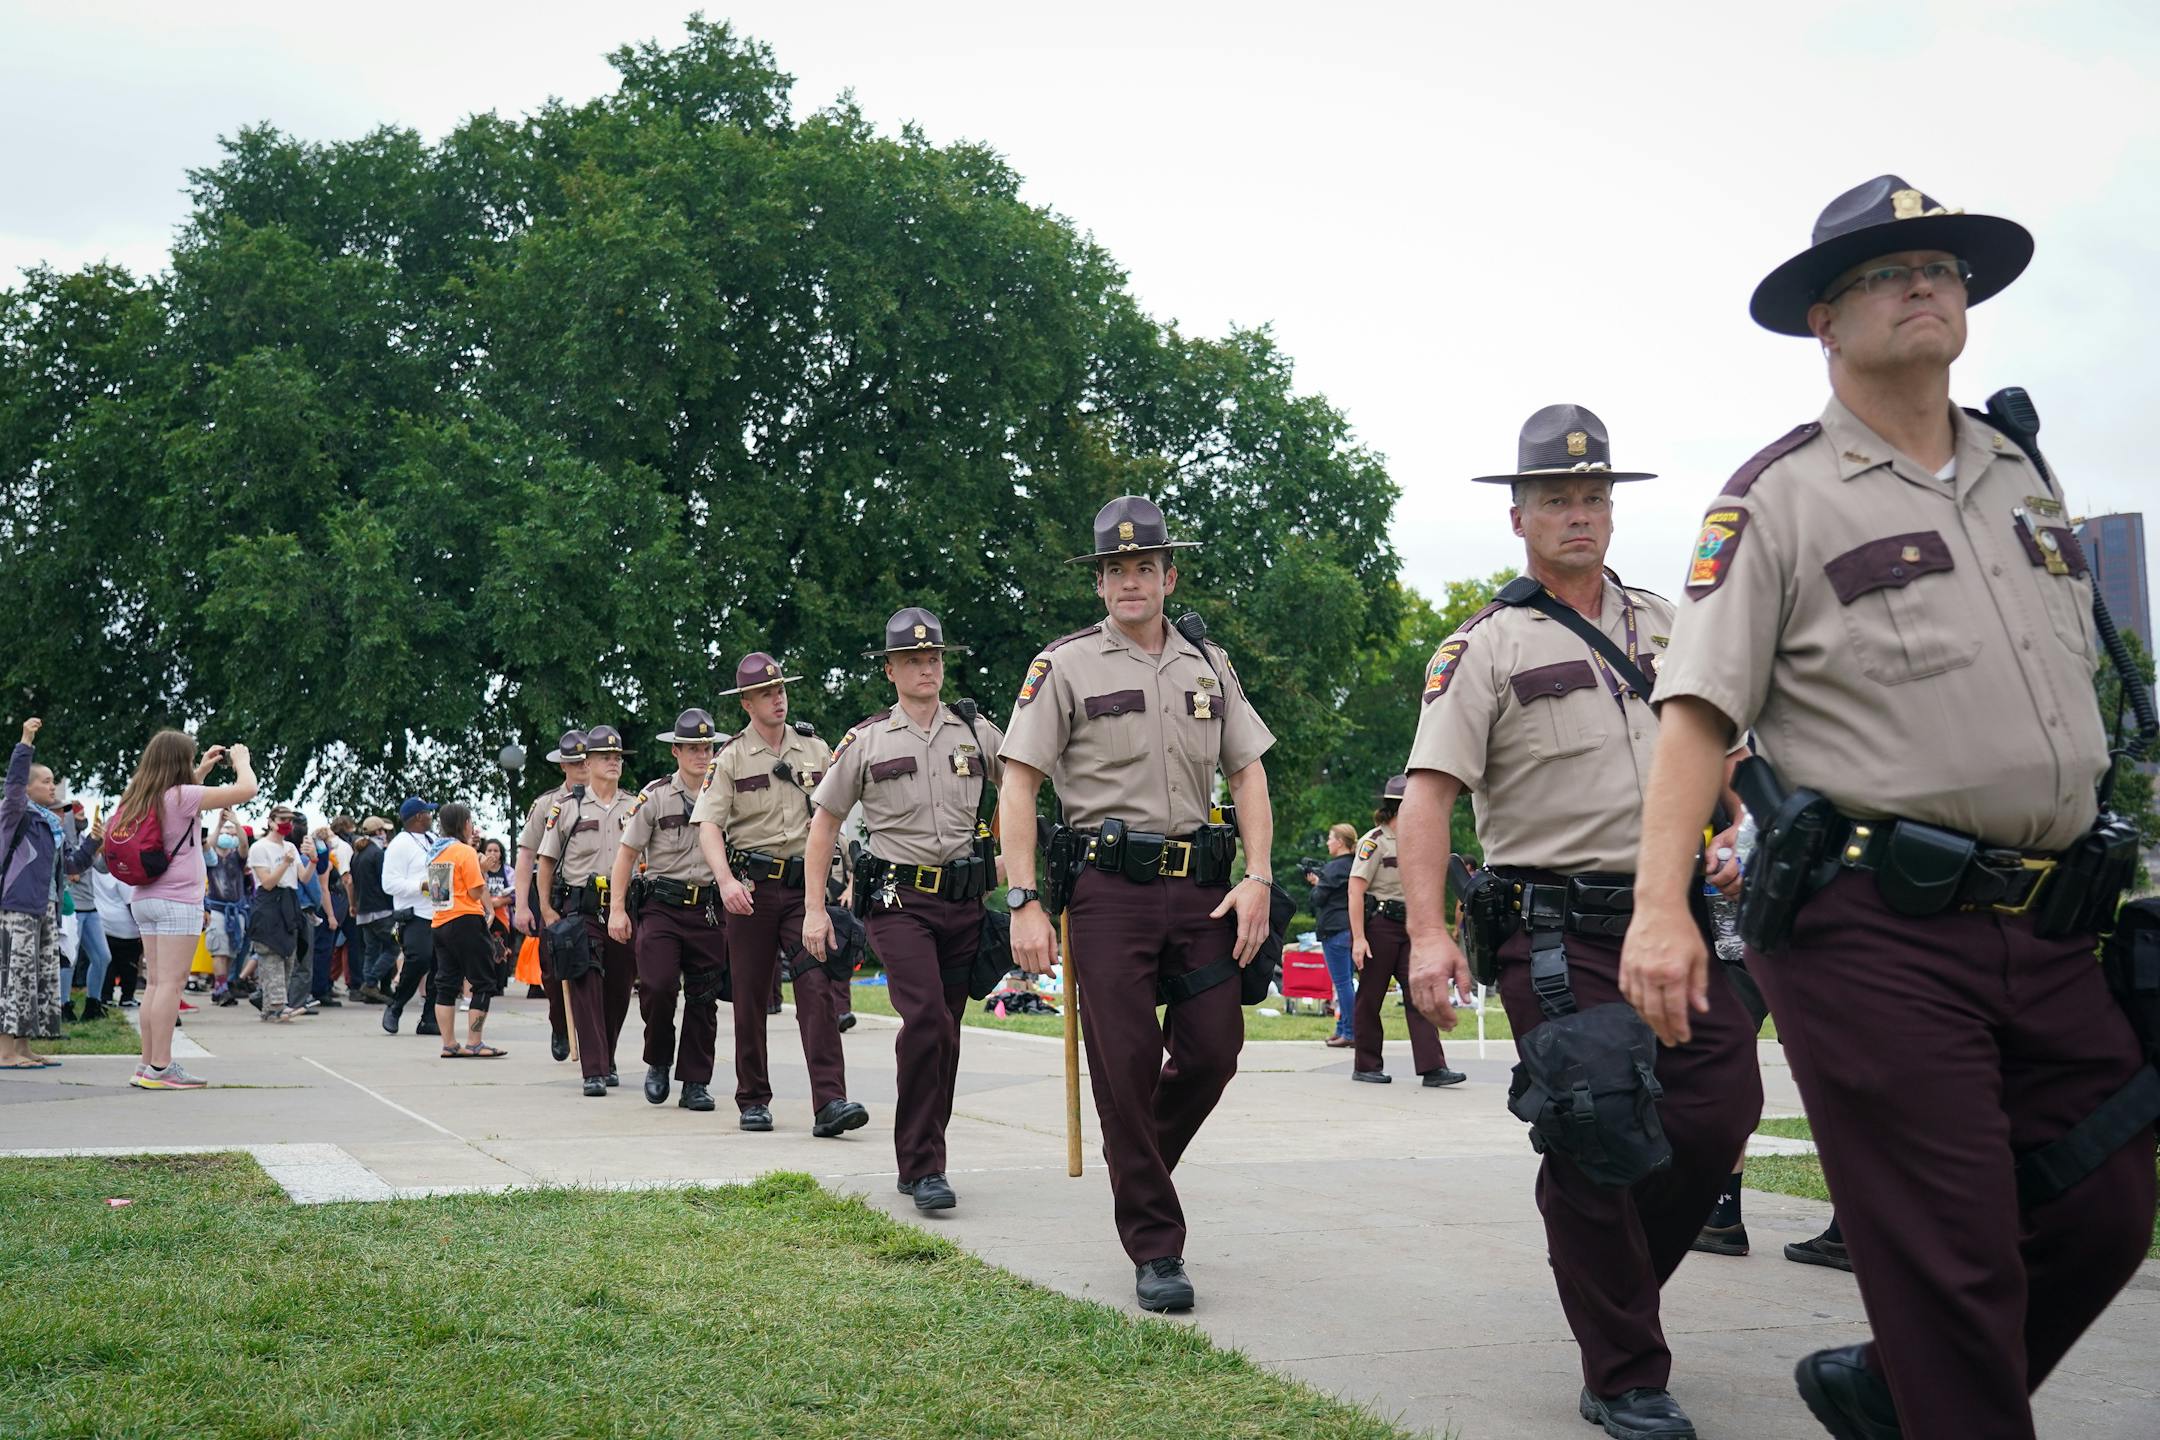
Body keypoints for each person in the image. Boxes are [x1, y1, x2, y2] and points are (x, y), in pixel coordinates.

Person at [1628, 176, 2157, 1440]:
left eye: (1944, 268)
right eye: (1886, 272)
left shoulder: (2022, 473)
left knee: (2102, 1204)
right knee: (1952, 1252)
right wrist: (1661, 906)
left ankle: (1887, 1390)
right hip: (1874, 925)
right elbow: (1698, 708)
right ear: (1825, 318)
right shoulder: (1778, 499)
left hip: (2050, 917)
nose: (1926, 285)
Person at [1396, 406, 1758, 1440]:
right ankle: (1625, 1370)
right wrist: (1428, 933)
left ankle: (1610, 1281)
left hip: (1675, 917)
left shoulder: (1668, 624)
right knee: (1597, 1118)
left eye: (1594, 496)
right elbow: (1429, 797)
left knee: (1719, 1104)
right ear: (1519, 517)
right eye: (1556, 498)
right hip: (1553, 927)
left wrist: (1738, 822)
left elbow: (1724, 752)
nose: (1578, 514)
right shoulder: (1486, 646)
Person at [997, 496, 1279, 1313]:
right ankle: (1157, 1248)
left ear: (1169, 575)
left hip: (1201, 890)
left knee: (1214, 1049)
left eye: (1144, 567)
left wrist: (1257, 874)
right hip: (1106, 893)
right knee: (1123, 1070)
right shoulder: (1065, 666)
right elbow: (1019, 782)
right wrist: (1024, 900)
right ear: (1099, 583)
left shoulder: (1207, 665)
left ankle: (1136, 1164)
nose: (1130, 581)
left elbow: (1250, 770)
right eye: (1115, 569)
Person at [805, 608, 1005, 1210]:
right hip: (898, 902)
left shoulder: (975, 732)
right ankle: (923, 1168)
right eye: (913, 660)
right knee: (925, 1022)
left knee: (946, 1034)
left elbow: (1023, 784)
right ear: (890, 670)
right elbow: (824, 827)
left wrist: (1013, 870)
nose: (926, 669)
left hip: (965, 901)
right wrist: (814, 909)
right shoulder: (866, 741)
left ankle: (923, 1155)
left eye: (934, 658)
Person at [692, 654, 861, 1136]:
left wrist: (847, 875)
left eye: (781, 689)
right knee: (748, 996)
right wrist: (724, 881)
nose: (778, 698)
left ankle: (830, 1101)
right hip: (750, 890)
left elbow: (839, 817)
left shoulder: (814, 748)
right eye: (767, 693)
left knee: (817, 985)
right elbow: (708, 825)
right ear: (746, 702)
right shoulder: (730, 758)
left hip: (804, 890)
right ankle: (753, 1099)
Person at [108, 728, 257, 1088]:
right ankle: (162, 1066)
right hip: (177, 899)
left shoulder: (139, 796)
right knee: (171, 986)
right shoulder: (182, 796)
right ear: (180, 762)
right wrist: (242, 761)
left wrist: (202, 771)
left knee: (157, 984)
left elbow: (181, 802)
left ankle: (147, 1065)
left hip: (144, 898)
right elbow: (247, 789)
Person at [611, 708, 729, 1112]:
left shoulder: (725, 792)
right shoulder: (656, 795)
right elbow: (626, 855)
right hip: (662, 906)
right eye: (693, 747)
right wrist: (616, 911)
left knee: (704, 996)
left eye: (708, 746)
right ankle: (658, 1059)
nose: (702, 754)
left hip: (709, 909)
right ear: (676, 750)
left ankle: (695, 1081)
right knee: (658, 987)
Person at [536, 725, 638, 1096]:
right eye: (605, 757)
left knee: (619, 988)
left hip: (624, 907)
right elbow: (546, 861)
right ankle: (593, 1070)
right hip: (581, 908)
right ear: (588, 762)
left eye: (617, 757)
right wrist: (546, 908)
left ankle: (606, 1056)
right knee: (585, 981)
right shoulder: (568, 808)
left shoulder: (634, 806)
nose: (613, 762)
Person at [1347, 776, 1462, 1087]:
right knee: (1370, 996)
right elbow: (1355, 891)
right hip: (1381, 927)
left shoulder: (1420, 840)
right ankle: (1366, 1064)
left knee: (1419, 992)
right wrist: (1359, 938)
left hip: (1411, 927)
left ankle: (1433, 1067)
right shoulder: (1374, 841)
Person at [3, 720, 79, 1067]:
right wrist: (26, 743)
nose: (52, 787)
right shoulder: (15, 813)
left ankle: (23, 1047)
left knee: (35, 978)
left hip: (44, 906)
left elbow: (71, 865)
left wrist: (95, 842)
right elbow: (14, 784)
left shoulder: (49, 823)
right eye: (46, 781)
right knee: (12, 975)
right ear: (29, 787)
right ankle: (4, 1050)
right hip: (16, 906)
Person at [514, 729, 586, 1061]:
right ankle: (560, 1024)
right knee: (552, 970)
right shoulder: (547, 804)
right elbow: (527, 856)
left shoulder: (610, 800)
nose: (582, 767)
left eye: (586, 760)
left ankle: (592, 1038)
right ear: (563, 766)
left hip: (592, 895)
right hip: (553, 897)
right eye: (575, 762)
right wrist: (522, 905)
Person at [426, 803, 503, 1058]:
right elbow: (474, 891)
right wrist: (480, 868)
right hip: (467, 920)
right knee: (483, 983)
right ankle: (475, 1040)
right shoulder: (465, 852)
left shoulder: (436, 852)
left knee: (446, 983)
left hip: (440, 922)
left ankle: (449, 1043)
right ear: (464, 823)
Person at [379, 797, 446, 1038]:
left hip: (438, 911)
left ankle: (429, 1018)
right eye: (428, 813)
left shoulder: (431, 841)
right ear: (418, 817)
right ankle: (396, 1004)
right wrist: (422, 886)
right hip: (415, 913)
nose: (431, 816)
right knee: (419, 959)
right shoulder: (400, 844)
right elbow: (389, 884)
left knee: (440, 966)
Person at [244, 807, 310, 1022]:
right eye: (282, 820)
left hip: (289, 903)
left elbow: (304, 878)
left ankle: (270, 1008)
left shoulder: (290, 846)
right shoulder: (259, 848)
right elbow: (268, 883)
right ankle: (278, 1006)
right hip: (268, 904)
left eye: (290, 820)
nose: (287, 824)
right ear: (271, 822)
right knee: (271, 955)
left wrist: (314, 860)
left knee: (288, 957)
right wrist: (285, 863)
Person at [1304, 823, 1357, 1047]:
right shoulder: (1354, 864)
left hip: (1334, 929)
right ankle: (1342, 1029)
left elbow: (1318, 899)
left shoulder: (1333, 868)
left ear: (1340, 842)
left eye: (1330, 838)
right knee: (1346, 982)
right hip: (1350, 928)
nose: (1327, 842)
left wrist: (1316, 885)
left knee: (1342, 984)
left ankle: (1351, 1032)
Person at [203, 810, 251, 1005]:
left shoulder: (237, 859)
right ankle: (221, 988)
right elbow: (207, 844)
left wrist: (236, 824)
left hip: (236, 910)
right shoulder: (211, 859)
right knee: (219, 951)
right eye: (226, 832)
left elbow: (245, 845)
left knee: (231, 952)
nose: (230, 836)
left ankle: (222, 986)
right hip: (217, 909)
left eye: (232, 834)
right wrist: (218, 824)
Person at [348, 817, 395, 1004]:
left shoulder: (357, 854)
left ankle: (371, 987)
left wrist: (353, 904)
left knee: (371, 950)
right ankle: (370, 982)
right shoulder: (378, 853)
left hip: (363, 911)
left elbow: (352, 882)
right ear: (378, 832)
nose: (385, 834)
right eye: (383, 830)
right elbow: (385, 884)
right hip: (381, 910)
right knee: (393, 947)